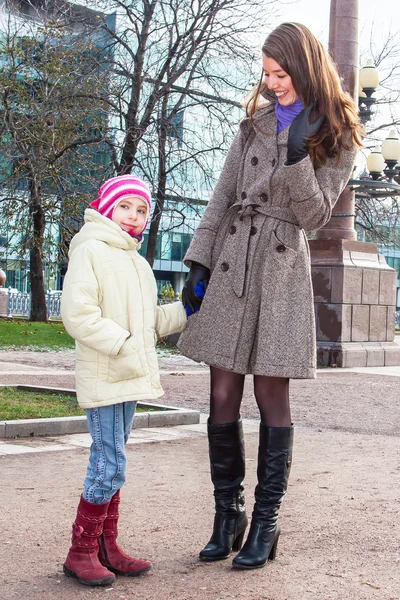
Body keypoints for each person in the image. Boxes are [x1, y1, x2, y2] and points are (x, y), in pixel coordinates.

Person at [178, 22, 363, 570]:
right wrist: (198, 261)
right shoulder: (252, 122)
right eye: (266, 74)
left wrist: (297, 154)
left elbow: (314, 216)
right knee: (220, 395)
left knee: (271, 398)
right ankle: (226, 514)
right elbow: (222, 195)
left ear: (304, 69)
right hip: (235, 259)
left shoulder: (338, 133)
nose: (272, 84)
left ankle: (267, 521)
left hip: (281, 270)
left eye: (280, 75)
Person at [60, 174, 187, 586]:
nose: (133, 216)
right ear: (107, 207)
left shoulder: (136, 261)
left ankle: (105, 547)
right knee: (108, 463)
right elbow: (78, 315)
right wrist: (123, 342)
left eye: (141, 210)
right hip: (108, 372)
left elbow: (148, 322)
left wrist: (189, 306)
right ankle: (80, 552)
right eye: (125, 207)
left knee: (112, 462)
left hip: (128, 375)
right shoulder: (90, 250)